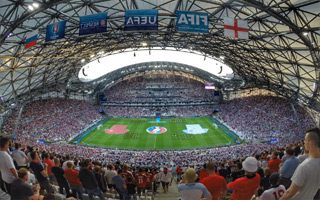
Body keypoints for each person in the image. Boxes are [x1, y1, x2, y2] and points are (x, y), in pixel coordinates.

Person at [280, 128, 320, 200]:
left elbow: (290, 192)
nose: (303, 142)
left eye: (305, 140)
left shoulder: (304, 167)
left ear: (310, 143)